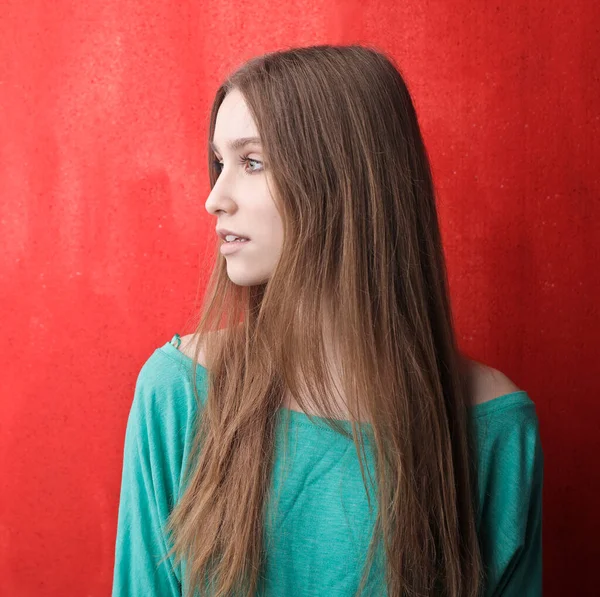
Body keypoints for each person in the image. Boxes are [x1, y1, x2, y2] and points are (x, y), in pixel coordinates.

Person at [111, 44, 544, 597]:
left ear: (343, 179)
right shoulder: (179, 393)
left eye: (251, 161)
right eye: (220, 163)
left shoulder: (496, 427)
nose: (214, 198)